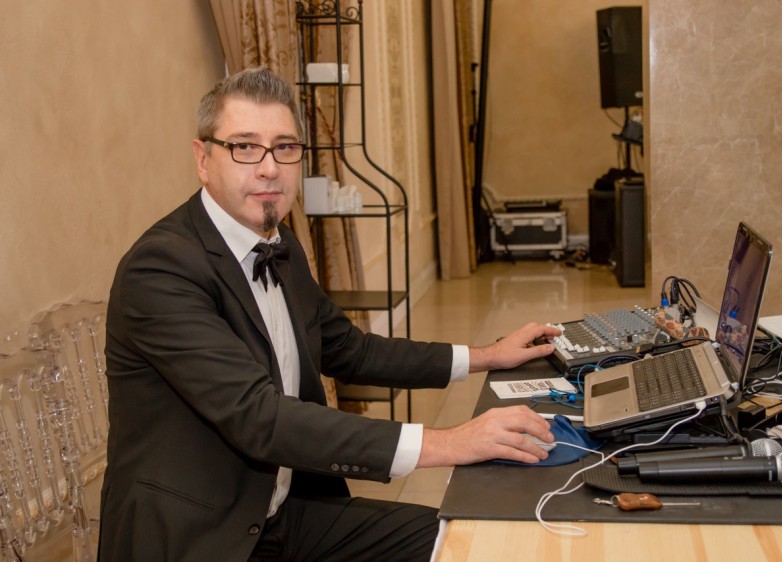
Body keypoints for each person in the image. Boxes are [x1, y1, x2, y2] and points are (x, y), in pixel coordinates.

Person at [99, 66, 561, 562]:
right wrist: (451, 443)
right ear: (202, 159)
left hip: (285, 511)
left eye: (285, 147)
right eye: (245, 147)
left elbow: (351, 350)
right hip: (200, 536)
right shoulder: (160, 268)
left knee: (461, 544)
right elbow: (259, 416)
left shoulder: (279, 243)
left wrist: (487, 356)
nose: (269, 168)